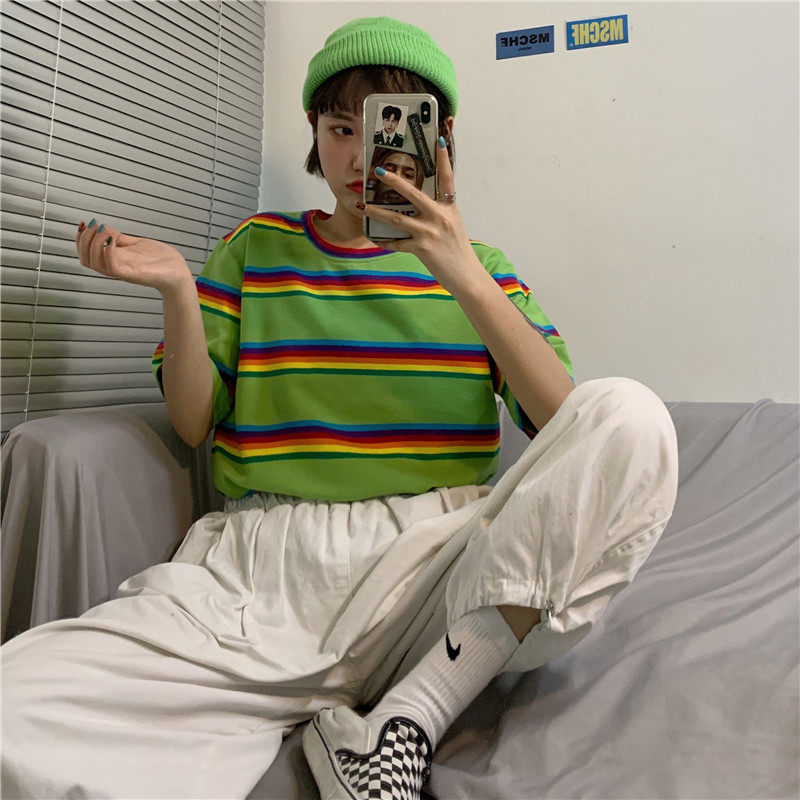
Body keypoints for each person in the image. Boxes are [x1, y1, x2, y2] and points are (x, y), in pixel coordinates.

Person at [0, 15, 679, 800]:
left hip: (438, 582)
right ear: (314, 133)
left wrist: (457, 268)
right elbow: (192, 424)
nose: (361, 156)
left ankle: (411, 719)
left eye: (388, 127)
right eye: (340, 128)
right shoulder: (256, 248)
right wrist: (179, 290)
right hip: (261, 582)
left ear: (439, 138)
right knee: (17, 708)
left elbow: (569, 425)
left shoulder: (481, 270)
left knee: (633, 417)